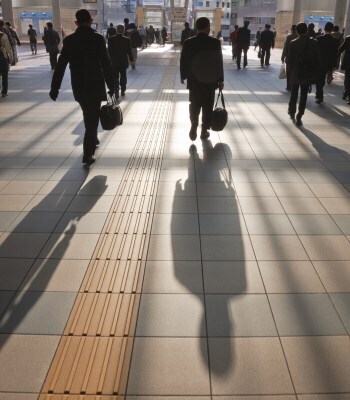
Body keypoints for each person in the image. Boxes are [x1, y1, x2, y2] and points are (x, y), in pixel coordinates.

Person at [49, 9, 114, 166]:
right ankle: (87, 154)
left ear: (76, 23)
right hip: (96, 84)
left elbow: (60, 66)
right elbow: (106, 64)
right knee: (91, 119)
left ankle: (93, 138)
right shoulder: (97, 38)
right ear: (91, 21)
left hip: (78, 85)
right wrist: (112, 85)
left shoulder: (69, 41)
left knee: (89, 114)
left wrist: (55, 88)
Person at [180, 17, 224, 141]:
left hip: (194, 81)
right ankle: (204, 131)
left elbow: (183, 60)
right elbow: (218, 62)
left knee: (194, 104)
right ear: (207, 27)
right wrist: (221, 80)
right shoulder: (215, 42)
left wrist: (183, 75)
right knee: (207, 106)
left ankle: (194, 124)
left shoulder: (189, 42)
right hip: (210, 81)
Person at [287, 22, 320, 126]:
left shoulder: (293, 43)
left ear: (296, 31)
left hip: (296, 72)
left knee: (294, 93)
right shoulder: (313, 42)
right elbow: (317, 59)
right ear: (306, 30)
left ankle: (292, 112)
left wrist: (289, 73)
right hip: (307, 73)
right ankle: (300, 115)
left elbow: (290, 60)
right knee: (304, 94)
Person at [315, 22, 338, 103]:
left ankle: (319, 96)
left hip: (319, 62)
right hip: (329, 63)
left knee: (319, 79)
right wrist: (335, 65)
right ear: (332, 30)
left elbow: (315, 52)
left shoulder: (318, 38)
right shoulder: (335, 41)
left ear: (324, 29)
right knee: (323, 78)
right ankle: (319, 94)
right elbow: (336, 54)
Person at [108, 24, 133, 98]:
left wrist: (109, 60)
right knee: (123, 75)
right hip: (123, 61)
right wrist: (132, 60)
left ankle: (116, 90)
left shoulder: (110, 39)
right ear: (123, 30)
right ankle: (123, 89)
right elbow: (129, 51)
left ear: (116, 30)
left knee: (115, 77)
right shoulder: (127, 40)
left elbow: (109, 51)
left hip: (114, 62)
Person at [281, 24, 298, 90]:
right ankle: (295, 85)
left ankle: (289, 86)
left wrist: (283, 56)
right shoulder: (299, 37)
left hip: (289, 58)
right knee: (296, 72)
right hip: (298, 59)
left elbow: (286, 47)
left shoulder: (289, 37)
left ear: (292, 30)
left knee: (289, 72)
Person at [0, 28, 13, 97]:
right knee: (4, 76)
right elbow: (8, 48)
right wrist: (10, 58)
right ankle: (4, 92)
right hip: (2, 58)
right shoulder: (3, 35)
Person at [338, 34, 350, 104]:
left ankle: (346, 92)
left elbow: (341, 48)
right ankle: (346, 93)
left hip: (348, 63)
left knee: (347, 79)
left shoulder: (348, 38)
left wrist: (337, 55)